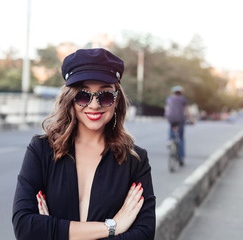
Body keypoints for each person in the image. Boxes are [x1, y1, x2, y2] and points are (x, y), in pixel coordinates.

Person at [12, 48, 156, 240]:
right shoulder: (41, 149)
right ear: (70, 99)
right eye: (83, 95)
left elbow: (144, 235)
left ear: (116, 100)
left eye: (104, 95)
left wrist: (54, 232)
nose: (94, 105)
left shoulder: (135, 160)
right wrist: (112, 227)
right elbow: (25, 227)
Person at [164, 86, 191, 166]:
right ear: (181, 93)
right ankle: (181, 157)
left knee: (171, 132)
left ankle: (169, 141)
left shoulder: (169, 99)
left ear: (173, 92)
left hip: (171, 119)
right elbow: (187, 111)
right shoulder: (183, 99)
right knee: (181, 138)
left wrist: (167, 117)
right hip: (180, 120)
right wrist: (191, 119)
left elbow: (167, 109)